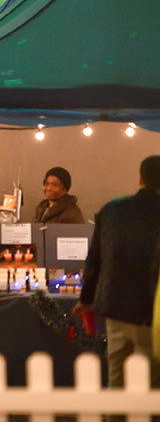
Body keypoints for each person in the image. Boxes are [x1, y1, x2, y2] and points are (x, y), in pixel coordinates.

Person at [75, 156, 160, 388]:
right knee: (148, 381)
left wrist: (86, 299)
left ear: (140, 178)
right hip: (151, 311)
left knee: (117, 374)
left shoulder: (112, 209)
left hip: (114, 305)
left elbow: (94, 260)